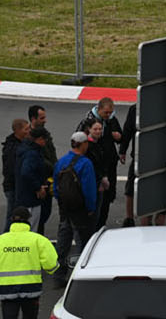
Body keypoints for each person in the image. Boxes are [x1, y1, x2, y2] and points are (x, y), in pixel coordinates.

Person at [0, 207, 58, 319]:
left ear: (12, 220)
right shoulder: (39, 240)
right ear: (28, 220)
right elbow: (51, 266)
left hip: (5, 289)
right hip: (31, 289)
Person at [77, 97, 130, 229]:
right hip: (94, 165)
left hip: (109, 163)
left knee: (107, 195)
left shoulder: (112, 119)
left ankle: (101, 223)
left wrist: (118, 137)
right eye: (106, 112)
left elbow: (120, 137)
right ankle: (91, 224)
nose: (108, 115)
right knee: (94, 195)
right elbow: (77, 140)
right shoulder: (87, 120)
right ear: (99, 109)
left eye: (110, 112)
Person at [53, 131, 98, 277]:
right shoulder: (85, 163)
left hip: (65, 208)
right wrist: (91, 208)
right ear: (84, 144)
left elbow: (56, 187)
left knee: (63, 240)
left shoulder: (61, 161)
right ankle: (79, 275)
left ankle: (59, 274)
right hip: (80, 209)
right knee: (82, 242)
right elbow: (89, 189)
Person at [14, 126, 53, 236]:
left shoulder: (25, 149)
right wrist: (38, 187)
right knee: (32, 229)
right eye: (45, 139)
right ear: (39, 139)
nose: (45, 142)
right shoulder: (33, 153)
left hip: (23, 196)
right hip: (31, 200)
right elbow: (26, 172)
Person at [26, 106, 58, 235]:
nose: (45, 120)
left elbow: (51, 153)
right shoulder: (28, 139)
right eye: (42, 118)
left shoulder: (45, 134)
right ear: (33, 119)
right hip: (38, 184)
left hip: (48, 180)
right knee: (36, 218)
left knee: (45, 214)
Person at [1, 118, 30, 227]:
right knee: (12, 214)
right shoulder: (12, 149)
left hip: (16, 186)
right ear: (18, 130)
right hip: (13, 187)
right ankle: (7, 235)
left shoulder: (20, 144)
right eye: (26, 129)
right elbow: (11, 170)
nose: (28, 131)